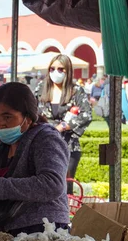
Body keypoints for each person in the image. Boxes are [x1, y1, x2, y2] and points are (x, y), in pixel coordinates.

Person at [0, 82, 70, 235]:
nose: (0, 124)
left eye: (8, 117)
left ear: (27, 118)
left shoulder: (46, 138)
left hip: (43, 228)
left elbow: (52, 184)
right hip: (0, 227)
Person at [36, 54, 92, 192]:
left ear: (68, 71)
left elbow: (86, 115)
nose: (56, 72)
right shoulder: (41, 88)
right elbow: (31, 112)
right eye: (52, 69)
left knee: (65, 187)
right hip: (44, 144)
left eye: (61, 69)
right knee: (43, 185)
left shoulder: (76, 90)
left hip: (69, 146)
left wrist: (63, 126)